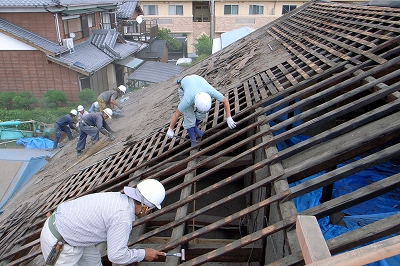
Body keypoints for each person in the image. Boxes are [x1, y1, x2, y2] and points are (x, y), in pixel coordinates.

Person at [40, 179, 167, 265]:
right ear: (145, 207)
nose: (148, 213)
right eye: (150, 209)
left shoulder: (118, 198)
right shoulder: (123, 217)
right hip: (59, 241)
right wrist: (143, 254)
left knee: (94, 263)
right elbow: (116, 256)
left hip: (72, 232)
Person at [166, 74, 237, 146]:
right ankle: (193, 138)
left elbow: (225, 100)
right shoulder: (187, 99)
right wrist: (170, 129)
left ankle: (195, 128)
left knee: (202, 113)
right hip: (184, 87)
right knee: (189, 116)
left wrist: (229, 117)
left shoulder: (210, 91)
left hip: (198, 81)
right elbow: (177, 113)